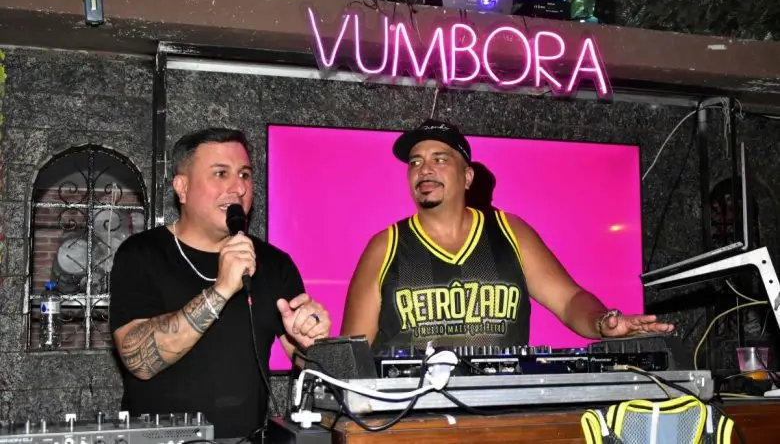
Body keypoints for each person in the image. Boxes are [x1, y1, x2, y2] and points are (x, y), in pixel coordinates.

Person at [340, 119, 674, 353]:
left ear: (467, 176)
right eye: (415, 162)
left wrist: (602, 322)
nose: (424, 169)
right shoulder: (385, 246)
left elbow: (568, 299)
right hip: (407, 419)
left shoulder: (509, 231)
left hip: (497, 414)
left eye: (440, 159)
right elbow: (351, 353)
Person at [109, 128, 331, 440]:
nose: (238, 187)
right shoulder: (141, 254)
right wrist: (221, 290)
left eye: (244, 174)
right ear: (182, 187)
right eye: (220, 173)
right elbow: (138, 360)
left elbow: (309, 366)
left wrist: (311, 343)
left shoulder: (274, 263)